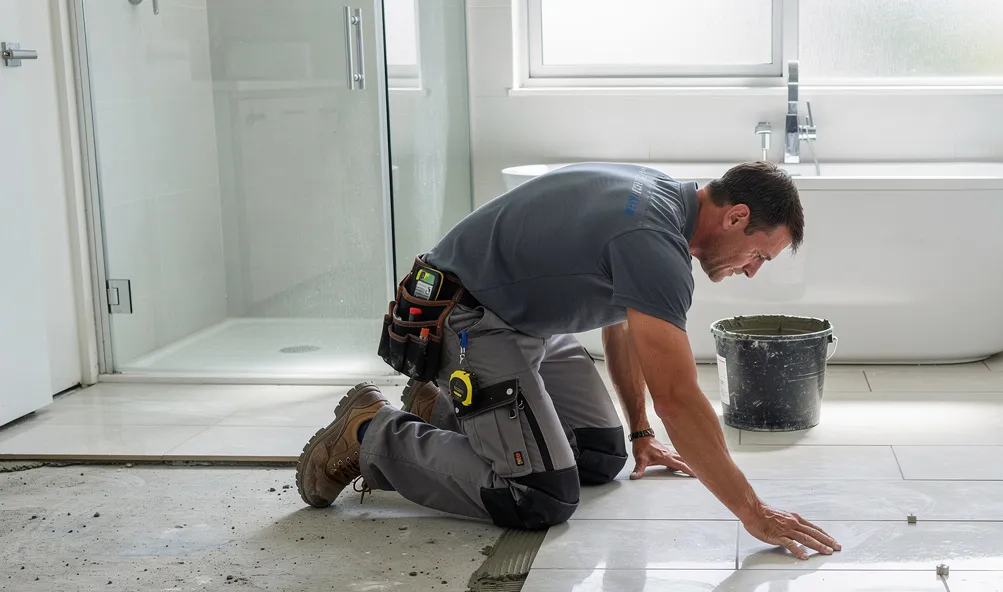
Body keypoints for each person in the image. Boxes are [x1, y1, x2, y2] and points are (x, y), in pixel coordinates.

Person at [295, 161, 840, 560]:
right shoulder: (654, 240)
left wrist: (640, 432)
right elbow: (679, 397)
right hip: (464, 321)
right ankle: (371, 435)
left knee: (602, 457)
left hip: (524, 324)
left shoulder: (662, 200)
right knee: (540, 495)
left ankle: (442, 407)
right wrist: (751, 510)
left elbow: (621, 329)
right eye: (759, 256)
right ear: (736, 216)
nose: (751, 271)